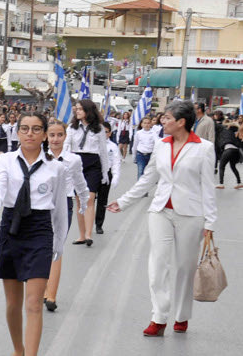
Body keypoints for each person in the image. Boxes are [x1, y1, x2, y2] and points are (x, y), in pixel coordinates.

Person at [108, 100, 217, 337]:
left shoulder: (204, 148)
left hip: (191, 214)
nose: (162, 121)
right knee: (157, 265)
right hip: (160, 211)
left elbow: (208, 187)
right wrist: (124, 201)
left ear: (181, 122)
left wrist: (210, 222)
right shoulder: (161, 145)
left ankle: (182, 315)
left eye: (167, 118)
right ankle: (159, 317)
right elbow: (148, 178)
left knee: (183, 267)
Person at [0, 112, 68, 356]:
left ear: (44, 134)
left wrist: (59, 241)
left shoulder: (56, 168)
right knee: (13, 303)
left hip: (40, 231)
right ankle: (18, 349)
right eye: (24, 128)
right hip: (11, 228)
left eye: (35, 129)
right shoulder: (6, 160)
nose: (29, 133)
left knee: (34, 304)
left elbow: (60, 208)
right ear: (17, 132)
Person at [42, 121, 89, 312]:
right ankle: (43, 288)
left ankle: (51, 294)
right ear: (46, 136)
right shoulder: (40, 157)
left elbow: (80, 182)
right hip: (42, 205)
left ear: (65, 136)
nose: (55, 139)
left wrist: (84, 203)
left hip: (64, 205)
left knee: (56, 247)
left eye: (59, 135)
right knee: (42, 248)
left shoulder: (74, 159)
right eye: (52, 135)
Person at [65, 99, 109, 247]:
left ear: (88, 111)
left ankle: (89, 234)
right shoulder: (72, 127)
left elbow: (103, 151)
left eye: (80, 109)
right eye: (76, 109)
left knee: (90, 198)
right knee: (80, 201)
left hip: (93, 163)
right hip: (77, 161)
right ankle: (82, 235)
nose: (77, 111)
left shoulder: (99, 128)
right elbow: (66, 146)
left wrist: (105, 172)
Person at [94, 121, 121, 235]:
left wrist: (115, 176)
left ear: (110, 133)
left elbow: (116, 162)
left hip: (106, 173)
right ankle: (86, 224)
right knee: (89, 200)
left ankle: (99, 225)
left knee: (102, 200)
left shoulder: (113, 146)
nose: (103, 134)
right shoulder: (93, 144)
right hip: (93, 173)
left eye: (105, 132)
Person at [216, 123, 243, 189]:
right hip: (236, 150)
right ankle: (239, 182)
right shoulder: (235, 133)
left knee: (221, 166)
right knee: (233, 166)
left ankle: (221, 184)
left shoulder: (222, 132)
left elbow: (219, 144)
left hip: (228, 149)